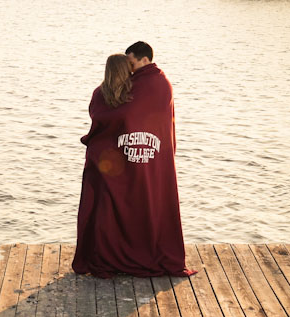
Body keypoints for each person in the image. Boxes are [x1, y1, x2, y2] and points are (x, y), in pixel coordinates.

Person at [71, 43, 198, 278]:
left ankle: (123, 253)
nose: (129, 68)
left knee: (132, 202)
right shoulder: (131, 85)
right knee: (115, 205)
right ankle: (111, 252)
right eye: (126, 64)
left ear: (143, 59)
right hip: (129, 154)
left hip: (146, 154)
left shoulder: (156, 84)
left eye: (131, 62)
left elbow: (137, 117)